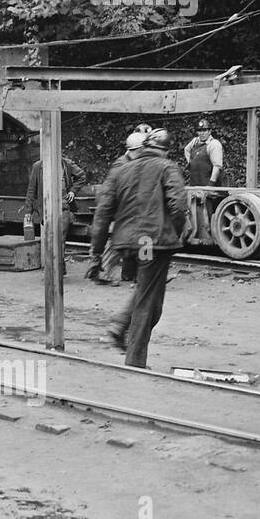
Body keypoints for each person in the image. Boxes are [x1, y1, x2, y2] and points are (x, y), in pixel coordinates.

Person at [88, 128, 188, 368]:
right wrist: (173, 232)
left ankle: (119, 325)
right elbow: (179, 206)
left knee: (149, 298)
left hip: (127, 244)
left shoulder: (120, 171)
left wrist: (96, 252)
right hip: (152, 243)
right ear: (164, 150)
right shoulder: (167, 167)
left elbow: (102, 214)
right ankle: (134, 361)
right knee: (148, 305)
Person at [21, 144, 87, 276]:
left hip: (63, 207)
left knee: (60, 239)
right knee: (50, 238)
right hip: (46, 209)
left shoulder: (66, 164)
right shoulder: (38, 167)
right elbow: (31, 190)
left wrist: (73, 191)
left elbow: (81, 176)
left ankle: (57, 270)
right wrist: (28, 211)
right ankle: (57, 268)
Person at [96, 126, 152, 285]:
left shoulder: (135, 162)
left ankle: (141, 275)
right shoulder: (121, 164)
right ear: (139, 149)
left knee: (140, 239)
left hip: (130, 210)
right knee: (118, 242)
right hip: (119, 209)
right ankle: (102, 272)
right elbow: (110, 191)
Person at [182, 119, 224, 185]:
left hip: (209, 185)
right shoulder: (195, 141)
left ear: (209, 131)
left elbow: (217, 166)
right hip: (195, 184)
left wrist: (211, 185)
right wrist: (190, 162)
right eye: (199, 130)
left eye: (204, 130)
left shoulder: (214, 144)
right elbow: (186, 150)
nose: (202, 133)